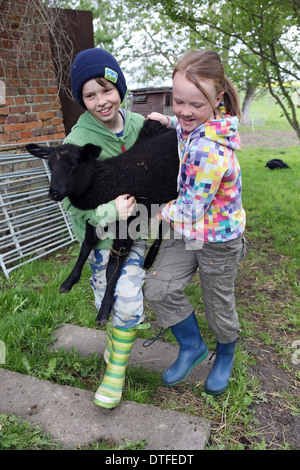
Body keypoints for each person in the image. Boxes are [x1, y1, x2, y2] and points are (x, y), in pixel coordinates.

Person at [144, 50, 246, 395]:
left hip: (216, 237)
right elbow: (186, 129)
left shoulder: (210, 151)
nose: (185, 111)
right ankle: (192, 345)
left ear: (217, 101)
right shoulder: (193, 125)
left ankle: (226, 352)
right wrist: (170, 122)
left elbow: (190, 209)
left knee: (218, 305)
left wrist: (159, 213)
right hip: (189, 232)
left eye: (196, 105)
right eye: (178, 102)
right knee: (158, 287)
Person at [63, 48, 147, 408]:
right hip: (101, 243)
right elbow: (72, 208)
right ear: (81, 100)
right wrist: (106, 210)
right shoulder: (76, 145)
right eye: (89, 95)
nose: (101, 101)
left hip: (139, 235)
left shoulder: (140, 126)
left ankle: (115, 372)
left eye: (106, 89)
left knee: (126, 302)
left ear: (120, 87)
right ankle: (116, 346)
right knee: (110, 305)